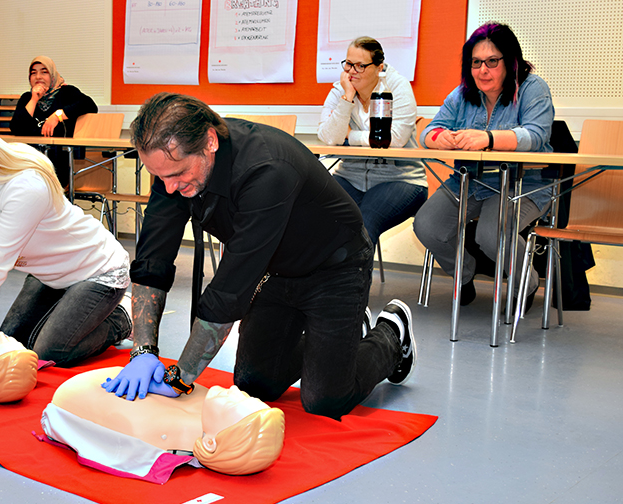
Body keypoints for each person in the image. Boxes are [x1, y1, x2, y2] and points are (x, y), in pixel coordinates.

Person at [102, 93, 417, 422]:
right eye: (160, 176)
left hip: (336, 269)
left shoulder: (267, 169)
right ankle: (342, 340)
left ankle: (390, 335)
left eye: (177, 173)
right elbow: (153, 258)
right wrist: (142, 350)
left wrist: (181, 378)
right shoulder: (174, 168)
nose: (168, 188)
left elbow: (230, 288)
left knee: (325, 401)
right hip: (277, 271)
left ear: (210, 141)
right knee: (254, 384)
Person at [0, 109, 131, 367]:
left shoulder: (26, 185)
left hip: (98, 271)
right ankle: (75, 313)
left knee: (51, 352)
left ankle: (123, 317)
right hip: (51, 275)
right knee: (14, 344)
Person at [413, 22, 554, 308]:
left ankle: (524, 283)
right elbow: (429, 132)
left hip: (522, 183)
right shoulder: (462, 93)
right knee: (426, 226)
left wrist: (488, 138)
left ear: (510, 61)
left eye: (492, 61)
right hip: (470, 181)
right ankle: (463, 274)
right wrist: (440, 138)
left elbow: (536, 136)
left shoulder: (532, 88)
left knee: (490, 234)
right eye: (476, 63)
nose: (482, 70)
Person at [42, 367, 285, 478]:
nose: (233, 388)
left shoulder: (146, 427)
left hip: (80, 390)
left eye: (234, 401)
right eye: (244, 395)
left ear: (210, 443)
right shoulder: (210, 407)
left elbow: (73, 399)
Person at [317, 36, 428, 245]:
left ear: (379, 68)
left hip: (400, 178)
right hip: (351, 175)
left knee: (364, 224)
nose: (351, 72)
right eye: (349, 64)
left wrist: (350, 137)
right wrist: (347, 98)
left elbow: (394, 139)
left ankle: (355, 279)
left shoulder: (397, 87)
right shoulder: (340, 90)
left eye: (360, 66)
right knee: (315, 216)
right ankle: (325, 278)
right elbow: (329, 137)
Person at [9, 56, 98, 187]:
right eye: (33, 73)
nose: (38, 77)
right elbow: (17, 128)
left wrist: (57, 116)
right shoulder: (26, 98)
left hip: (58, 164)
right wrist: (34, 99)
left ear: (52, 76)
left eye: (44, 72)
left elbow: (89, 105)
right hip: (28, 163)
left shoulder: (66, 92)